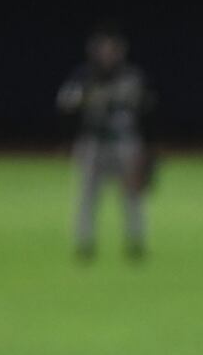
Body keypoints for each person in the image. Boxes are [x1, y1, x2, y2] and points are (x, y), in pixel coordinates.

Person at [57, 25, 156, 259]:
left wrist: (148, 147)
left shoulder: (133, 77)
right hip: (93, 142)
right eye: (104, 49)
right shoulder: (83, 77)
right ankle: (85, 244)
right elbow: (65, 106)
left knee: (132, 195)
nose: (108, 54)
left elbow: (147, 111)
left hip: (125, 142)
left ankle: (135, 242)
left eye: (113, 50)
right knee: (87, 195)